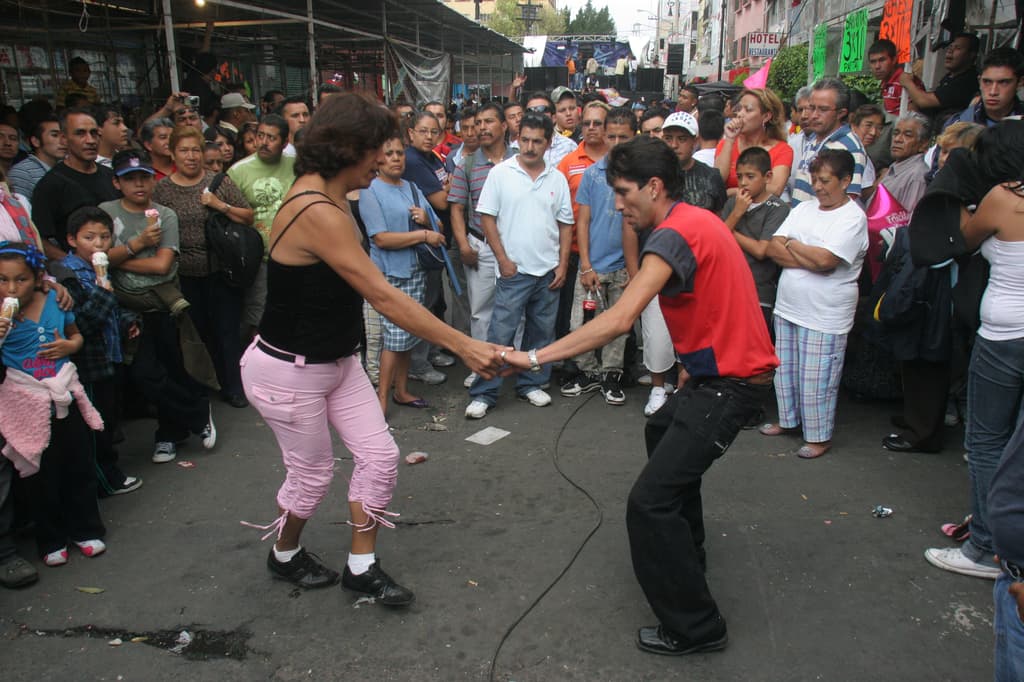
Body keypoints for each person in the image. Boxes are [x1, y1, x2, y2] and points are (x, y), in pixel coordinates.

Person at [502, 134, 777, 656]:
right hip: (713, 376)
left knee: (648, 504)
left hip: (733, 384)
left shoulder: (672, 235)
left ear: (654, 186)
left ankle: (697, 627)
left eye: (625, 192)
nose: (618, 203)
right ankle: (687, 556)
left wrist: (533, 357)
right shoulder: (695, 220)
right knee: (660, 426)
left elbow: (620, 318)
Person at [238, 93, 505, 601]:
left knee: (380, 458)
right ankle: (284, 554)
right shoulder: (317, 208)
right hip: (288, 371)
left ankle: (361, 566)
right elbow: (382, 296)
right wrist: (466, 345)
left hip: (337, 361)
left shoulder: (334, 195)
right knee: (312, 476)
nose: (382, 160)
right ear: (348, 150)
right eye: (376, 150)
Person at [924, 164, 1024, 583]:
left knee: (986, 441)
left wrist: (961, 193)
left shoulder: (1007, 196)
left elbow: (963, 239)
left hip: (1004, 336)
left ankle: (984, 546)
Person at [102, 149, 215, 464]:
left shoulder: (165, 215)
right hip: (121, 307)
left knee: (170, 368)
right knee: (143, 375)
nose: (138, 184)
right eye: (130, 179)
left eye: (144, 178)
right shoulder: (105, 213)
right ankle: (196, 412)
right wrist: (136, 246)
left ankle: (168, 435)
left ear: (153, 181)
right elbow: (95, 258)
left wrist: (119, 259)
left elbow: (162, 265)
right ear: (116, 182)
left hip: (161, 303)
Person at [0, 241, 106, 567]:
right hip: (26, 399)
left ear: (38, 278)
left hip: (64, 392)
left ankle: (85, 529)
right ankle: (51, 539)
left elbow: (76, 337)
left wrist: (67, 347)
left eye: (21, 279)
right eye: (3, 280)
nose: (12, 288)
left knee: (77, 463)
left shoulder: (55, 301)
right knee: (38, 474)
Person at [465, 114, 573, 419]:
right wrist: (502, 259)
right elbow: (487, 217)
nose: (529, 146)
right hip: (513, 271)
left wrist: (562, 265)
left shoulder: (557, 178)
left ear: (548, 143)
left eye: (537, 141)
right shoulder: (501, 173)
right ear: (517, 139)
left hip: (548, 271)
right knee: (500, 335)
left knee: (541, 335)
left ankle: (531, 384)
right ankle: (484, 392)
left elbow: (565, 225)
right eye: (524, 139)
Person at [761, 149, 868, 459]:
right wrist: (805, 254)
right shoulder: (804, 209)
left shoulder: (852, 217)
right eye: (814, 180)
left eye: (825, 181)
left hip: (825, 313)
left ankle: (819, 437)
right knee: (787, 372)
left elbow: (826, 261)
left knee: (817, 379)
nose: (818, 187)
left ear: (846, 181)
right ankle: (789, 420)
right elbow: (772, 248)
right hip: (790, 305)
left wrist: (792, 245)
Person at [153, 126, 254, 408]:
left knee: (227, 331)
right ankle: (202, 385)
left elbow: (247, 216)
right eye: (184, 150)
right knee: (197, 333)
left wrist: (220, 205)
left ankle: (233, 386)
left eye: (195, 150)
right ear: (172, 154)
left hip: (220, 270)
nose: (191, 156)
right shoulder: (162, 189)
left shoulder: (218, 182)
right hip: (182, 274)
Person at [59, 207, 142, 497]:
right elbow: (83, 321)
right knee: (95, 424)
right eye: (89, 237)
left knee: (109, 415)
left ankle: (107, 472)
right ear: (72, 239)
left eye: (105, 237)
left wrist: (128, 322)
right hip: (89, 362)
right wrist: (104, 290)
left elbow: (112, 312)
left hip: (110, 354)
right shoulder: (68, 277)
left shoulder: (101, 270)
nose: (98, 244)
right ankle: (104, 479)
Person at [360, 134, 445, 414]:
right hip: (388, 274)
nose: (396, 158)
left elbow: (439, 227)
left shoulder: (411, 187)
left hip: (415, 271)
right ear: (378, 158)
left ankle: (402, 390)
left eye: (400, 153)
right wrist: (422, 233)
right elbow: (381, 238)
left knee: (410, 333)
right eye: (389, 153)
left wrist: (427, 219)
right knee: (393, 339)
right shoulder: (370, 190)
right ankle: (382, 398)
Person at [560, 107, 635, 405]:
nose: (616, 142)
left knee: (619, 327)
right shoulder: (593, 174)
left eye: (623, 137)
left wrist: (633, 271)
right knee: (581, 323)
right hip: (593, 267)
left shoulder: (640, 175)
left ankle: (611, 375)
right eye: (611, 135)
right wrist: (586, 265)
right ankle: (587, 372)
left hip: (623, 268)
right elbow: (583, 222)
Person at [448, 102, 516, 389]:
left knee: (517, 308)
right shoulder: (469, 163)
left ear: (504, 125)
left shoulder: (519, 160)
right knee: (481, 310)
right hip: (481, 244)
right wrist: (464, 245)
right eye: (479, 123)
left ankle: (515, 365)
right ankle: (481, 365)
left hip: (515, 244)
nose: (483, 128)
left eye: (489, 122)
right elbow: (456, 209)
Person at [228, 114, 296, 342]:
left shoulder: (297, 166)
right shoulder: (238, 172)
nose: (264, 143)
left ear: (285, 142)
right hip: (260, 259)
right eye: (260, 136)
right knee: (259, 320)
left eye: (272, 138)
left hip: (294, 255)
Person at [402, 111, 453, 385]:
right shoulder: (412, 160)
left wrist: (448, 187)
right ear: (410, 133)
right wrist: (449, 186)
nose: (428, 136)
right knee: (424, 304)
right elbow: (444, 201)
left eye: (433, 131)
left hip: (437, 239)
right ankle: (418, 365)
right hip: (424, 241)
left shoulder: (432, 157)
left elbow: (447, 190)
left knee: (434, 301)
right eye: (422, 131)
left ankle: (431, 352)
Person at [31, 109, 119, 261]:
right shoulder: (51, 184)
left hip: (120, 264)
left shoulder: (111, 176)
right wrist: (77, 267)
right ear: (64, 139)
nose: (90, 140)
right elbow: (41, 241)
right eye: (80, 133)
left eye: (94, 133)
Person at [555, 101, 611, 343]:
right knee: (574, 315)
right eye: (586, 123)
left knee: (611, 315)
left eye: (597, 123)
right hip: (577, 252)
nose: (591, 128)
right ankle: (573, 365)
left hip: (612, 254)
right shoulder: (568, 163)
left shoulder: (620, 160)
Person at [720, 147, 789, 336]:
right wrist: (737, 213)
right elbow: (717, 243)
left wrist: (730, 231)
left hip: (758, 292)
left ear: (767, 177)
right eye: (740, 176)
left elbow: (761, 250)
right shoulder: (734, 203)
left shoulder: (777, 208)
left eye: (750, 177)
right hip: (727, 288)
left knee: (752, 351)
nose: (743, 183)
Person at [790, 78, 867, 206]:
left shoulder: (850, 147)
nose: (814, 115)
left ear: (841, 113)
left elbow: (847, 200)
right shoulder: (814, 138)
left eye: (823, 109)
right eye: (812, 108)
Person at [715, 88, 794, 197]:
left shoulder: (782, 150)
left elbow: (775, 189)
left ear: (766, 116)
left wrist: (733, 192)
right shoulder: (726, 144)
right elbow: (717, 180)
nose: (740, 114)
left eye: (748, 110)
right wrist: (729, 139)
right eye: (739, 109)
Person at [900, 32, 980, 125]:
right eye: (950, 47)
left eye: (958, 48)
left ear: (971, 55)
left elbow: (923, 101)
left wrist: (907, 83)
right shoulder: (950, 77)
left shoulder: (967, 81)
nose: (950, 51)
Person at [661, 112, 727, 213]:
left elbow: (719, 218)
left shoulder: (711, 176)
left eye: (682, 139)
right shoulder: (654, 174)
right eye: (668, 138)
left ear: (695, 142)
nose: (674, 145)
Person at [945, 47, 1024, 129]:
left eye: (1003, 82)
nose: (993, 92)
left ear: (1020, 83)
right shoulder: (957, 125)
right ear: (979, 81)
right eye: (987, 82)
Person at [879, 112, 931, 213]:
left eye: (907, 135)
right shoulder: (895, 167)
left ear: (923, 144)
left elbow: (908, 220)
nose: (897, 139)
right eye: (896, 133)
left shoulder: (917, 176)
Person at [8, 115, 64, 200]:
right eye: (55, 135)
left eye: (64, 136)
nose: (63, 141)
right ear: (36, 141)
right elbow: (19, 209)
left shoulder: (65, 167)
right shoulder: (22, 172)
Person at [869, 39, 923, 117]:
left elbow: (913, 115)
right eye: (873, 62)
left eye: (882, 60)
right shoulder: (886, 82)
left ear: (894, 60)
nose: (877, 66)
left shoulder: (905, 80)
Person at [521, 93, 578, 166]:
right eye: (530, 111)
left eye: (542, 109)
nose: (536, 116)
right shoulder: (515, 147)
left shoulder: (569, 146)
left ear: (554, 117)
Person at [849, 104, 886, 195]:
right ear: (854, 126)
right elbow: (862, 193)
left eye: (879, 128)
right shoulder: (855, 153)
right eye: (868, 125)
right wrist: (882, 179)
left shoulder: (862, 151)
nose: (873, 132)